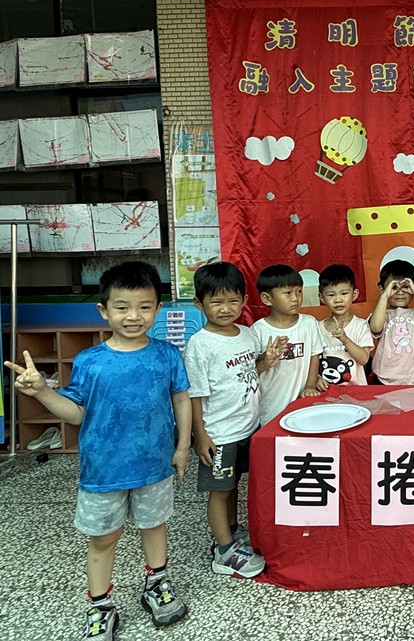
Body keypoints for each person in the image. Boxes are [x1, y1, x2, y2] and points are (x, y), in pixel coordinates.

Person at [4, 261, 190, 639]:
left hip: (155, 464)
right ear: (104, 310)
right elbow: (75, 413)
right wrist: (42, 392)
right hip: (103, 470)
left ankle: (156, 583)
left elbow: (181, 399)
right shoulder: (90, 361)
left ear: (158, 308)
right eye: (122, 307)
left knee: (154, 526)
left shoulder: (167, 354)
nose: (133, 316)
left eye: (144, 306)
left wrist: (183, 445)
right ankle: (101, 604)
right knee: (103, 539)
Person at [183, 262, 267, 579]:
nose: (225, 308)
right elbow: (194, 395)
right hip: (219, 434)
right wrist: (200, 436)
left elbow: (249, 370)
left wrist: (267, 360)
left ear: (244, 300)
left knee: (232, 486)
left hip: (247, 428)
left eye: (233, 301)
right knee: (219, 491)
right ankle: (224, 552)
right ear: (199, 303)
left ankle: (231, 530)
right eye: (216, 302)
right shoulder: (200, 344)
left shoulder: (246, 334)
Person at [251, 264, 324, 424]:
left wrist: (310, 386)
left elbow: (314, 356)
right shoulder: (258, 330)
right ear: (267, 299)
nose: (296, 298)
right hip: (270, 408)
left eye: (299, 291)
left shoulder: (309, 323)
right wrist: (266, 359)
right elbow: (252, 370)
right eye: (288, 293)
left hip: (302, 407)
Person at [369, 259, 414, 384]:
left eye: (405, 287)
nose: (400, 292)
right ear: (382, 289)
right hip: (386, 374)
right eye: (394, 287)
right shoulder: (381, 315)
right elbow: (376, 328)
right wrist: (385, 295)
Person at [317, 264, 374, 386]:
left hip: (356, 391)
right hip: (326, 391)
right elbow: (311, 361)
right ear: (322, 297)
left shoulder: (361, 325)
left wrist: (345, 339)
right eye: (331, 295)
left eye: (344, 293)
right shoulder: (317, 328)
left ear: (354, 294)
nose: (338, 300)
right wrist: (316, 378)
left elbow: (364, 360)